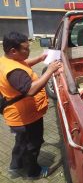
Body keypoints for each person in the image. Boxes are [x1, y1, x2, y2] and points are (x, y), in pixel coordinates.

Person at [0, 32, 61, 179]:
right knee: (33, 145)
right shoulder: (14, 72)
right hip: (25, 118)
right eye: (25, 49)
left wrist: (40, 58)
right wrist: (51, 71)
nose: (28, 51)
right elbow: (30, 90)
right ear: (13, 51)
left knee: (21, 142)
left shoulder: (7, 61)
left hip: (16, 115)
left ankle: (15, 167)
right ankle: (34, 172)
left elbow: (24, 64)